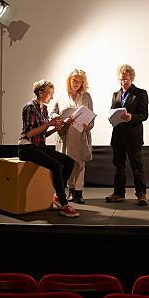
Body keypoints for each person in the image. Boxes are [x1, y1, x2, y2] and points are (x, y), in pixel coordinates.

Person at [18, 80, 79, 217]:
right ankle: (64, 204)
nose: (51, 97)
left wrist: (57, 127)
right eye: (49, 94)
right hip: (27, 147)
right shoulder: (30, 107)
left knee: (69, 161)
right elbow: (29, 133)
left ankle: (58, 195)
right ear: (40, 93)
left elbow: (42, 133)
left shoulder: (44, 108)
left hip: (39, 146)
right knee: (56, 166)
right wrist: (50, 123)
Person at [105, 64, 149, 206]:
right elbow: (112, 112)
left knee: (137, 166)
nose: (123, 82)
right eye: (121, 79)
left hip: (133, 136)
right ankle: (118, 194)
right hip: (118, 136)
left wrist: (132, 117)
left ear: (132, 78)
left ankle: (141, 194)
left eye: (126, 79)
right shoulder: (115, 94)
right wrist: (111, 118)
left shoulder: (140, 93)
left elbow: (144, 115)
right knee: (119, 166)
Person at [52, 69, 94, 204]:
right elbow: (53, 113)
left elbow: (92, 116)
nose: (77, 83)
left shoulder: (86, 96)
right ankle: (70, 190)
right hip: (65, 135)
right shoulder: (61, 96)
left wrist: (89, 125)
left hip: (81, 135)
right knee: (67, 163)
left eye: (80, 81)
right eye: (74, 80)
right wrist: (62, 120)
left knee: (80, 164)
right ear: (69, 80)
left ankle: (79, 193)